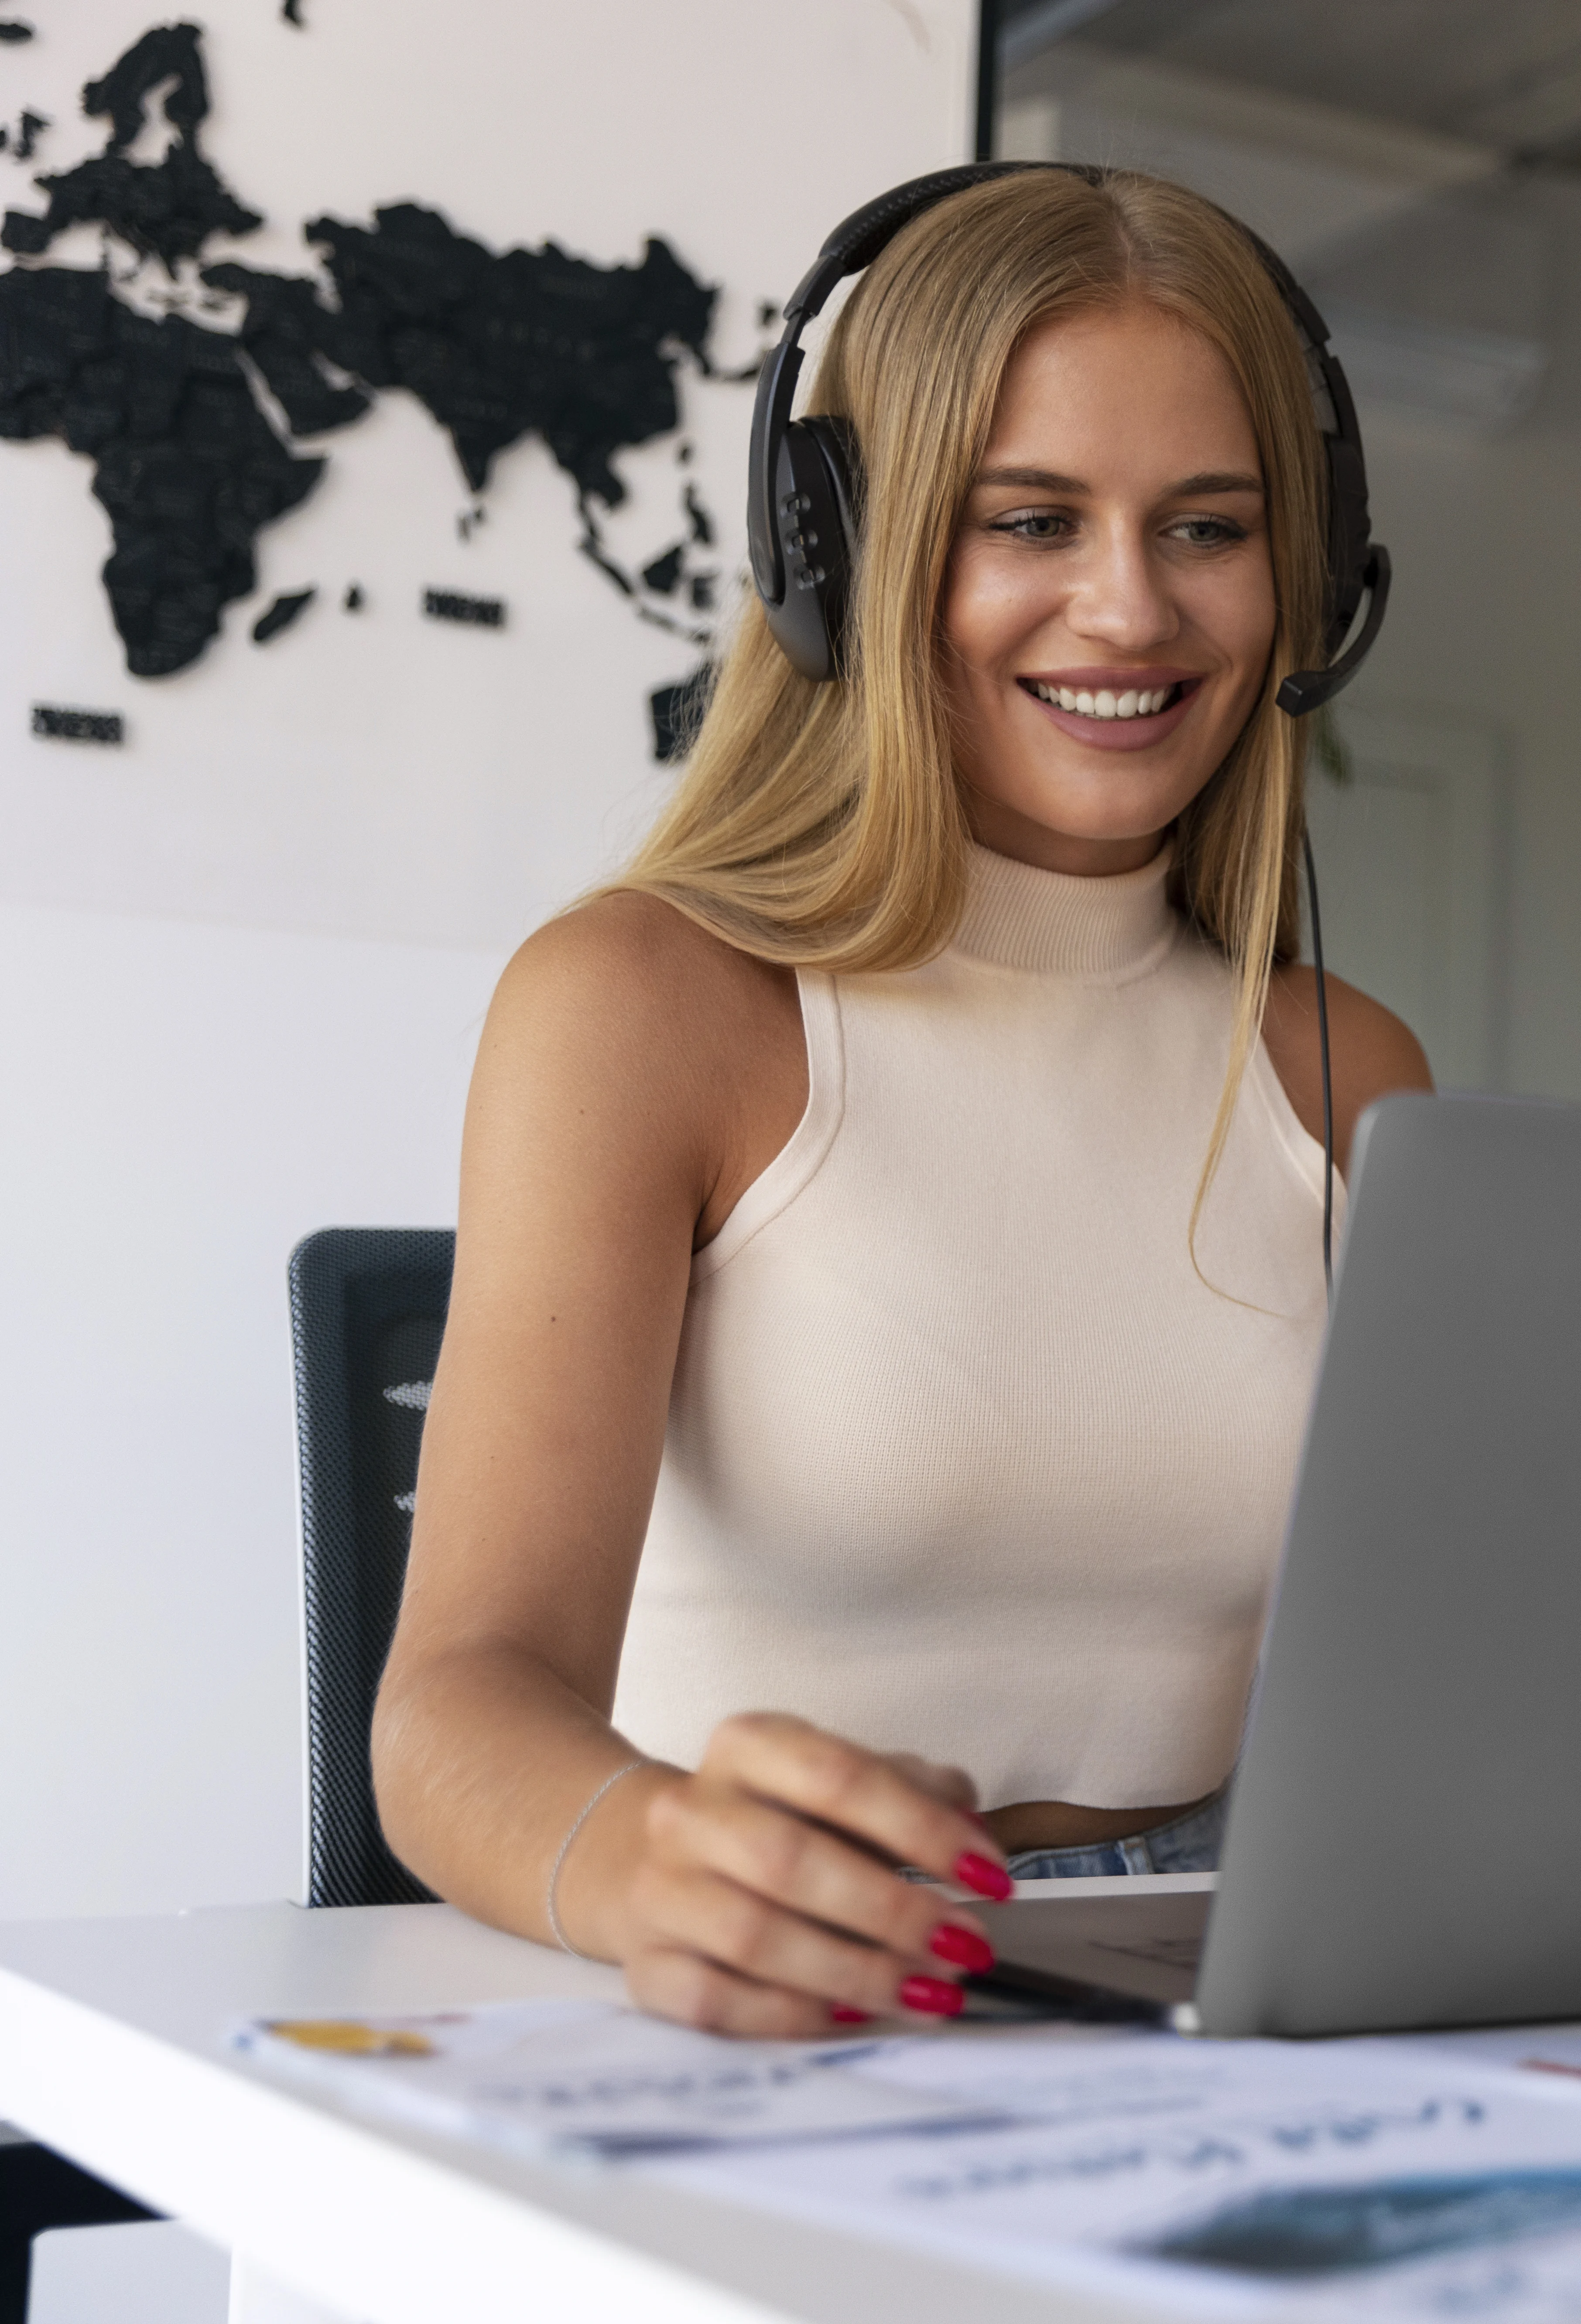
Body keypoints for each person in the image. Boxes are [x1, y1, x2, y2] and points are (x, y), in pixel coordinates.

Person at [372, 168, 1429, 2037]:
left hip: (1199, 1994)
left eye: (1209, 526)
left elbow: (1448, 1660)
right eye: (1029, 518)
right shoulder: (644, 1007)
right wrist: (649, 1861)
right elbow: (456, 1711)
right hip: (741, 1985)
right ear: (846, 550)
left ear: (1311, 583)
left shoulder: (1346, 1072)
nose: (1130, 607)